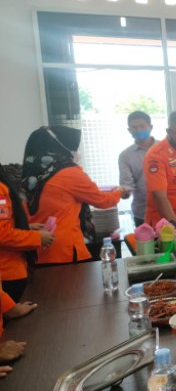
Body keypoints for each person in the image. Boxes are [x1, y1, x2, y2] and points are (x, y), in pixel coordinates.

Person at [22, 126, 128, 265]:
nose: (77, 152)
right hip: (63, 250)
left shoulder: (31, 173)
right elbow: (102, 201)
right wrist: (119, 191)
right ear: (61, 147)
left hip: (34, 248)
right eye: (74, 147)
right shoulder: (69, 173)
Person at [0, 162, 54, 301]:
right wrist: (37, 238)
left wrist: (26, 227)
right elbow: (2, 235)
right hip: (8, 273)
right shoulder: (0, 192)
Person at [119, 111, 156, 227]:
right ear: (129, 130)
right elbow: (127, 184)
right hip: (142, 213)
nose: (138, 130)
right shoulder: (125, 155)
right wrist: (123, 192)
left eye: (142, 126)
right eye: (134, 127)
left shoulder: (165, 149)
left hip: (171, 210)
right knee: (147, 245)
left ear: (150, 127)